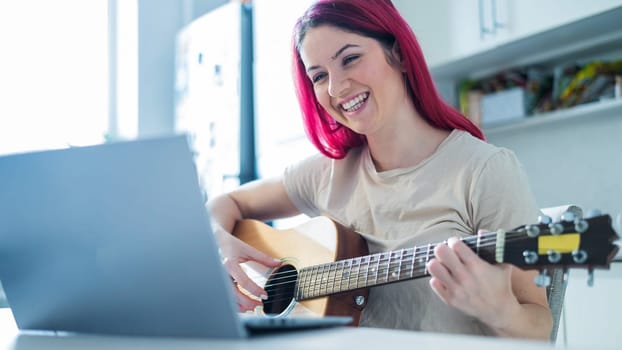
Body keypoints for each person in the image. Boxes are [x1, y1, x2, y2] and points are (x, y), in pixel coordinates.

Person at [207, 0, 552, 340]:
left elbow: (538, 326)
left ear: (398, 53)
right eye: (319, 76)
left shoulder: (484, 171)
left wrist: (501, 312)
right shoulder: (327, 173)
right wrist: (221, 245)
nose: (336, 88)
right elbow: (224, 203)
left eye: (351, 59)